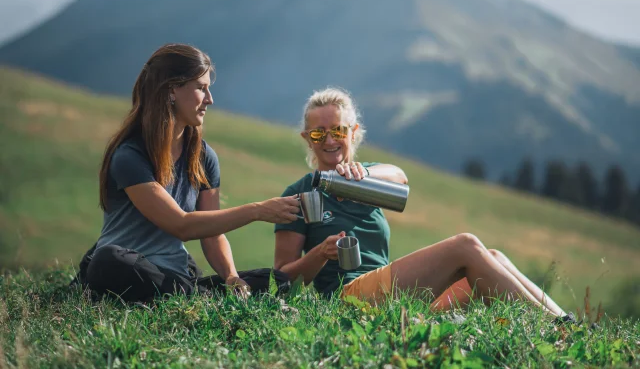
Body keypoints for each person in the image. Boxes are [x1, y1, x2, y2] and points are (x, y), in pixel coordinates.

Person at [274, 87, 568, 318]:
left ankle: (565, 324)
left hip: (386, 297)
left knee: (493, 257)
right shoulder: (298, 195)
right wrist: (320, 254)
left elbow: (400, 177)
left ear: (353, 132)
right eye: (318, 133)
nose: (329, 140)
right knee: (465, 245)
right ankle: (556, 330)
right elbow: (282, 281)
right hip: (348, 301)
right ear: (307, 138)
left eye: (337, 130)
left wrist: (362, 175)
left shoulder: (370, 180)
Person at [75, 43, 300, 302]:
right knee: (108, 260)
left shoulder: (204, 157)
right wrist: (258, 210)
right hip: (128, 269)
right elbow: (180, 225)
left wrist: (230, 276)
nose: (210, 99)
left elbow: (212, 231)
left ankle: (198, 295)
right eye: (201, 88)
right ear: (171, 90)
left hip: (176, 275)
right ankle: (200, 296)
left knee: (277, 281)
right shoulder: (130, 156)